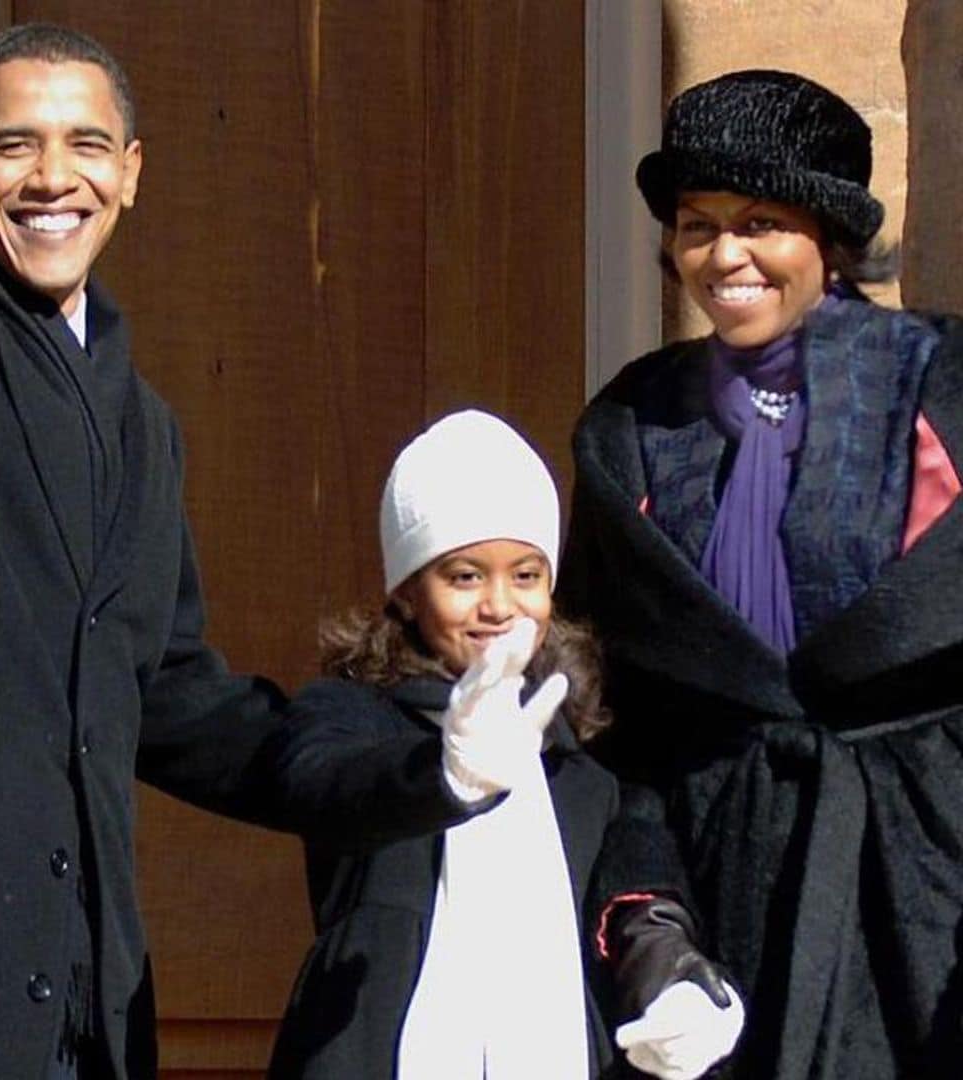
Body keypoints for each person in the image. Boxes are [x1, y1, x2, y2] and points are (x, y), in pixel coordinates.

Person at [0, 5, 286, 1077]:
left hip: (85, 1008)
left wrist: (422, 758)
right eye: (14, 144)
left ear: (134, 172)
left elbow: (174, 700)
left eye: (87, 145)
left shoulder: (142, 419)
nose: (53, 177)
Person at [558, 68, 963, 1079]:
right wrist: (645, 918)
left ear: (830, 238)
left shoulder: (943, 388)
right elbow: (610, 709)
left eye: (762, 222)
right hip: (710, 890)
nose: (724, 256)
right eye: (698, 225)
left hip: (924, 884)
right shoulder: (630, 426)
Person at [261, 409, 743, 1080]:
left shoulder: (583, 771)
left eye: (526, 575)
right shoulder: (352, 719)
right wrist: (442, 775)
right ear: (406, 591)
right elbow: (320, 781)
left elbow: (637, 906)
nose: (499, 605)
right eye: (463, 576)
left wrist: (679, 986)